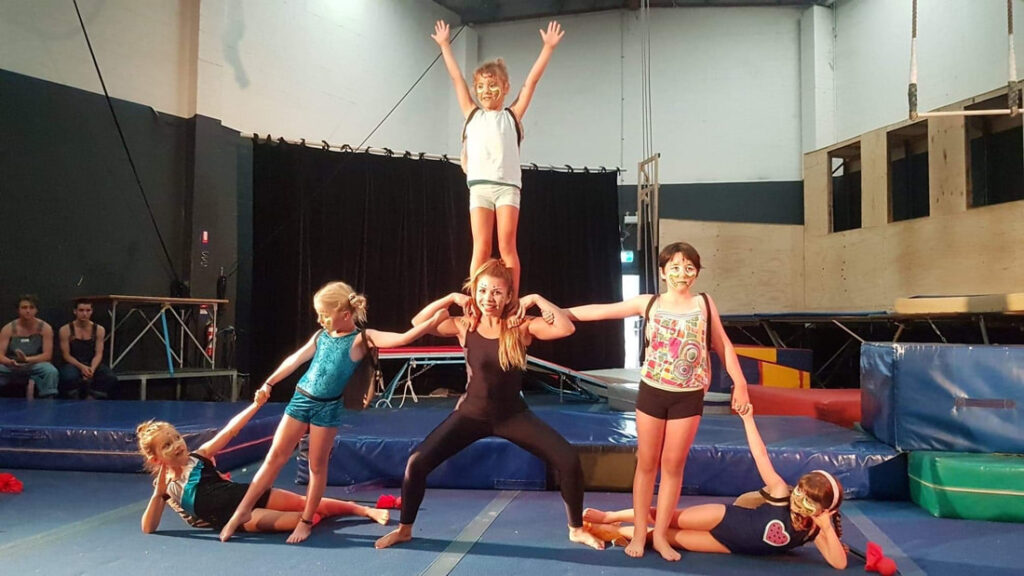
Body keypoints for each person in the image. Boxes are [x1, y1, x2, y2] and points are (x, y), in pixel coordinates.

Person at [374, 259, 604, 551]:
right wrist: (451, 298)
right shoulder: (465, 325)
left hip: (512, 416)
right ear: (474, 292)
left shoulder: (520, 326)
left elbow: (565, 328)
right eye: (482, 291)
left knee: (568, 460)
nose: (488, 299)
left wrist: (535, 298)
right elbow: (418, 322)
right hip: (470, 414)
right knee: (416, 463)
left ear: (508, 296)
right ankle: (405, 529)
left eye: (496, 292)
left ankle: (576, 529)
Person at [219, 281, 448, 544]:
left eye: (324, 315)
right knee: (274, 457)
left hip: (327, 408)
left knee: (317, 466)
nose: (319, 320)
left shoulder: (362, 339)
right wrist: (269, 382)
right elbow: (295, 359)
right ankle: (243, 510)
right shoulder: (321, 336)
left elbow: (402, 338)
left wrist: (432, 323)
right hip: (301, 399)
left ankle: (306, 521)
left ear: (345, 314)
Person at [565, 242, 751, 561]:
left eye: (689, 267)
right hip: (653, 391)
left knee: (673, 465)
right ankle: (640, 532)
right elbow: (601, 311)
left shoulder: (704, 304)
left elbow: (722, 344)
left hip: (688, 396)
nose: (682, 273)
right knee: (647, 463)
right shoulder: (649, 303)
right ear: (663, 273)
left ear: (696, 273)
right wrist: (558, 312)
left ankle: (661, 535)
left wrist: (741, 383)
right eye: (675, 267)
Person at [582, 405, 848, 570]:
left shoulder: (815, 530)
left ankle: (614, 532)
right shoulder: (781, 493)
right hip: (725, 517)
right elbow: (760, 456)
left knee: (666, 538)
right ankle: (611, 516)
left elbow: (839, 564)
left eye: (807, 499)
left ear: (823, 509)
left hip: (729, 545)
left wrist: (826, 527)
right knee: (667, 518)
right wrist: (748, 419)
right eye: (800, 490)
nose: (798, 498)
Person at [431, 19, 564, 299]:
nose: (486, 91)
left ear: (505, 87)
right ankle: (475, 299)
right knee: (480, 247)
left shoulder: (511, 116)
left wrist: (548, 48)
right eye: (480, 86)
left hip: (506, 187)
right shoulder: (472, 114)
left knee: (506, 246)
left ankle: (512, 299)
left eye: (492, 85)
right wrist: (445, 45)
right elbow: (456, 79)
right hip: (479, 187)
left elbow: (531, 83)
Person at [137, 399, 388, 534]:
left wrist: (255, 405)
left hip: (247, 495)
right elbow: (148, 528)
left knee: (307, 504)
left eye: (176, 437)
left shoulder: (199, 456)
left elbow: (230, 431)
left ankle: (363, 510)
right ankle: (329, 513)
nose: (177, 445)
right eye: (167, 445)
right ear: (156, 459)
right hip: (236, 518)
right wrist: (158, 494)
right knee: (303, 519)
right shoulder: (165, 487)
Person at [0, 295, 58, 398]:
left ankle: (48, 399)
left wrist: (26, 359)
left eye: (31, 308)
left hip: (35, 364)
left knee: (50, 371)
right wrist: (10, 362)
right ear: (18, 310)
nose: (28, 311)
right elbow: (0, 355)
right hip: (12, 365)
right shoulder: (8, 329)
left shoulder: (45, 328)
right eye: (24, 307)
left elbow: (47, 355)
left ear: (36, 310)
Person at [58, 299, 118, 399]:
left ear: (92, 311)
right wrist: (82, 367)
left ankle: (93, 397)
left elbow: (99, 354)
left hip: (92, 362)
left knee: (110, 377)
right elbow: (66, 355)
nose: (84, 314)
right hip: (73, 363)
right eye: (81, 310)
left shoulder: (99, 329)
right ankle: (74, 398)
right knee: (69, 377)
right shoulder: (65, 330)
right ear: (75, 311)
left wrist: (92, 369)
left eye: (88, 310)